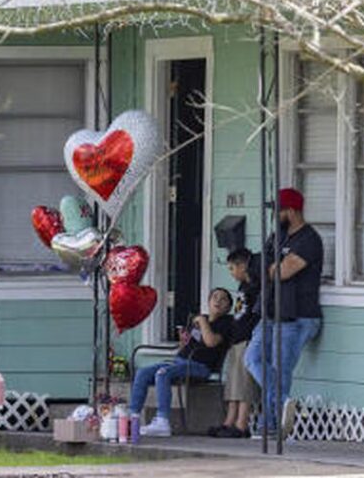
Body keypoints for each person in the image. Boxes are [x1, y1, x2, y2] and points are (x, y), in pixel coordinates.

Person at [243, 187, 323, 436]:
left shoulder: (309, 239)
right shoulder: (276, 237)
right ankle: (282, 401)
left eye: (278, 210)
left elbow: (282, 272)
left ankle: (272, 424)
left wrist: (265, 267)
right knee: (252, 359)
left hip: (297, 316)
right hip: (271, 311)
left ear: (292, 211)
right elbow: (255, 267)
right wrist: (263, 267)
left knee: (280, 367)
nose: (275, 215)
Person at [131, 287, 234, 438]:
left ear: (228, 306)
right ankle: (132, 418)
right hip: (180, 362)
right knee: (143, 373)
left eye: (223, 299)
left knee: (162, 373)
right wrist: (183, 340)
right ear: (209, 302)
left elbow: (211, 342)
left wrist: (203, 322)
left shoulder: (226, 323)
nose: (218, 301)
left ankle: (162, 421)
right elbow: (188, 345)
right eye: (215, 297)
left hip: (201, 367)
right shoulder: (201, 320)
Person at [209, 248, 261, 438]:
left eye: (232, 268)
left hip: (248, 338)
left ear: (242, 266)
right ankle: (228, 421)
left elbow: (255, 315)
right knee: (233, 383)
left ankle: (241, 424)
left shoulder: (256, 287)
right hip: (236, 339)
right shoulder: (243, 288)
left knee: (244, 383)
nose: (231, 273)